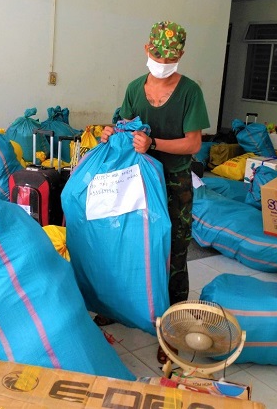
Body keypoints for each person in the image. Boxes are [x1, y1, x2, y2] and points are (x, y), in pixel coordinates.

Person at [100, 20, 210, 364]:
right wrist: (110, 133)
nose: (162, 62)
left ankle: (173, 332)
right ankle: (122, 309)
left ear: (180, 56)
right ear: (147, 50)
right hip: (136, 183)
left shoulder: (190, 91)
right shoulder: (135, 88)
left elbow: (193, 143)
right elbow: (124, 125)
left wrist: (155, 144)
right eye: (158, 55)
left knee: (175, 255)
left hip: (174, 182)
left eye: (170, 57)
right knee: (132, 247)